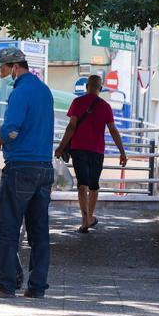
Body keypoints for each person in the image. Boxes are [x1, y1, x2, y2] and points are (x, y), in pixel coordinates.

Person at [0, 47, 55, 298]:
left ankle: (4, 284)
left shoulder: (20, 92)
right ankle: (37, 287)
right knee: (39, 230)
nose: (0, 72)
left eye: (2, 68)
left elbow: (12, 127)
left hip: (21, 167)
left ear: (14, 67)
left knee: (8, 227)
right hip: (44, 167)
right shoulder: (44, 90)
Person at [54, 74, 127, 232]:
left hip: (78, 149)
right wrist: (122, 152)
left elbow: (71, 127)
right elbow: (113, 130)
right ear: (100, 89)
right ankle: (90, 217)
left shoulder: (77, 102)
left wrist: (61, 146)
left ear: (86, 87)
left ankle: (84, 219)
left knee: (82, 184)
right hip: (97, 150)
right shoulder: (105, 106)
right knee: (93, 185)